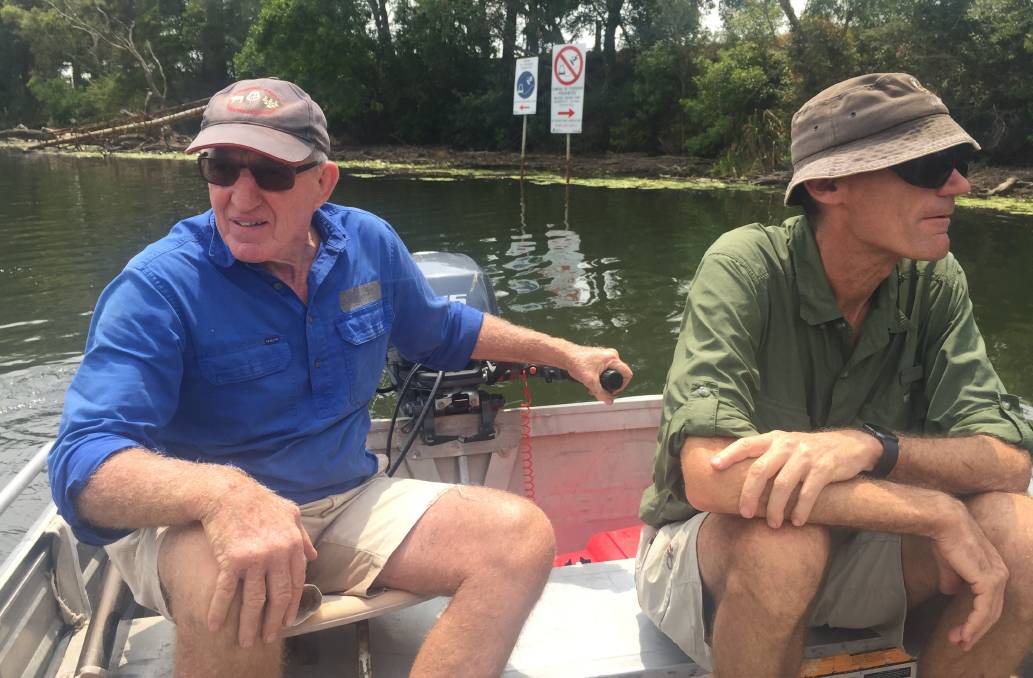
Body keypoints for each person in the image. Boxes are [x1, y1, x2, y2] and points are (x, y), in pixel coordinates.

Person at [49, 77, 632, 678]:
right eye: (222, 169)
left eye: (271, 173)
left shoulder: (367, 244)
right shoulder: (158, 286)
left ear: (323, 183)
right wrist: (227, 496)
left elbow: (442, 329)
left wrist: (566, 352)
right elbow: (82, 462)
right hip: (196, 522)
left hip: (345, 496)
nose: (241, 197)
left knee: (519, 540)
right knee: (238, 580)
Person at [636, 72, 1033, 677]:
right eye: (929, 165)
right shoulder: (744, 265)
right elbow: (710, 478)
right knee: (785, 546)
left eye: (956, 161)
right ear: (828, 184)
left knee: (1023, 536)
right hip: (717, 554)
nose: (959, 184)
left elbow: (1009, 461)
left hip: (865, 552)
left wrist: (871, 447)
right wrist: (933, 512)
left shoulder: (934, 281)